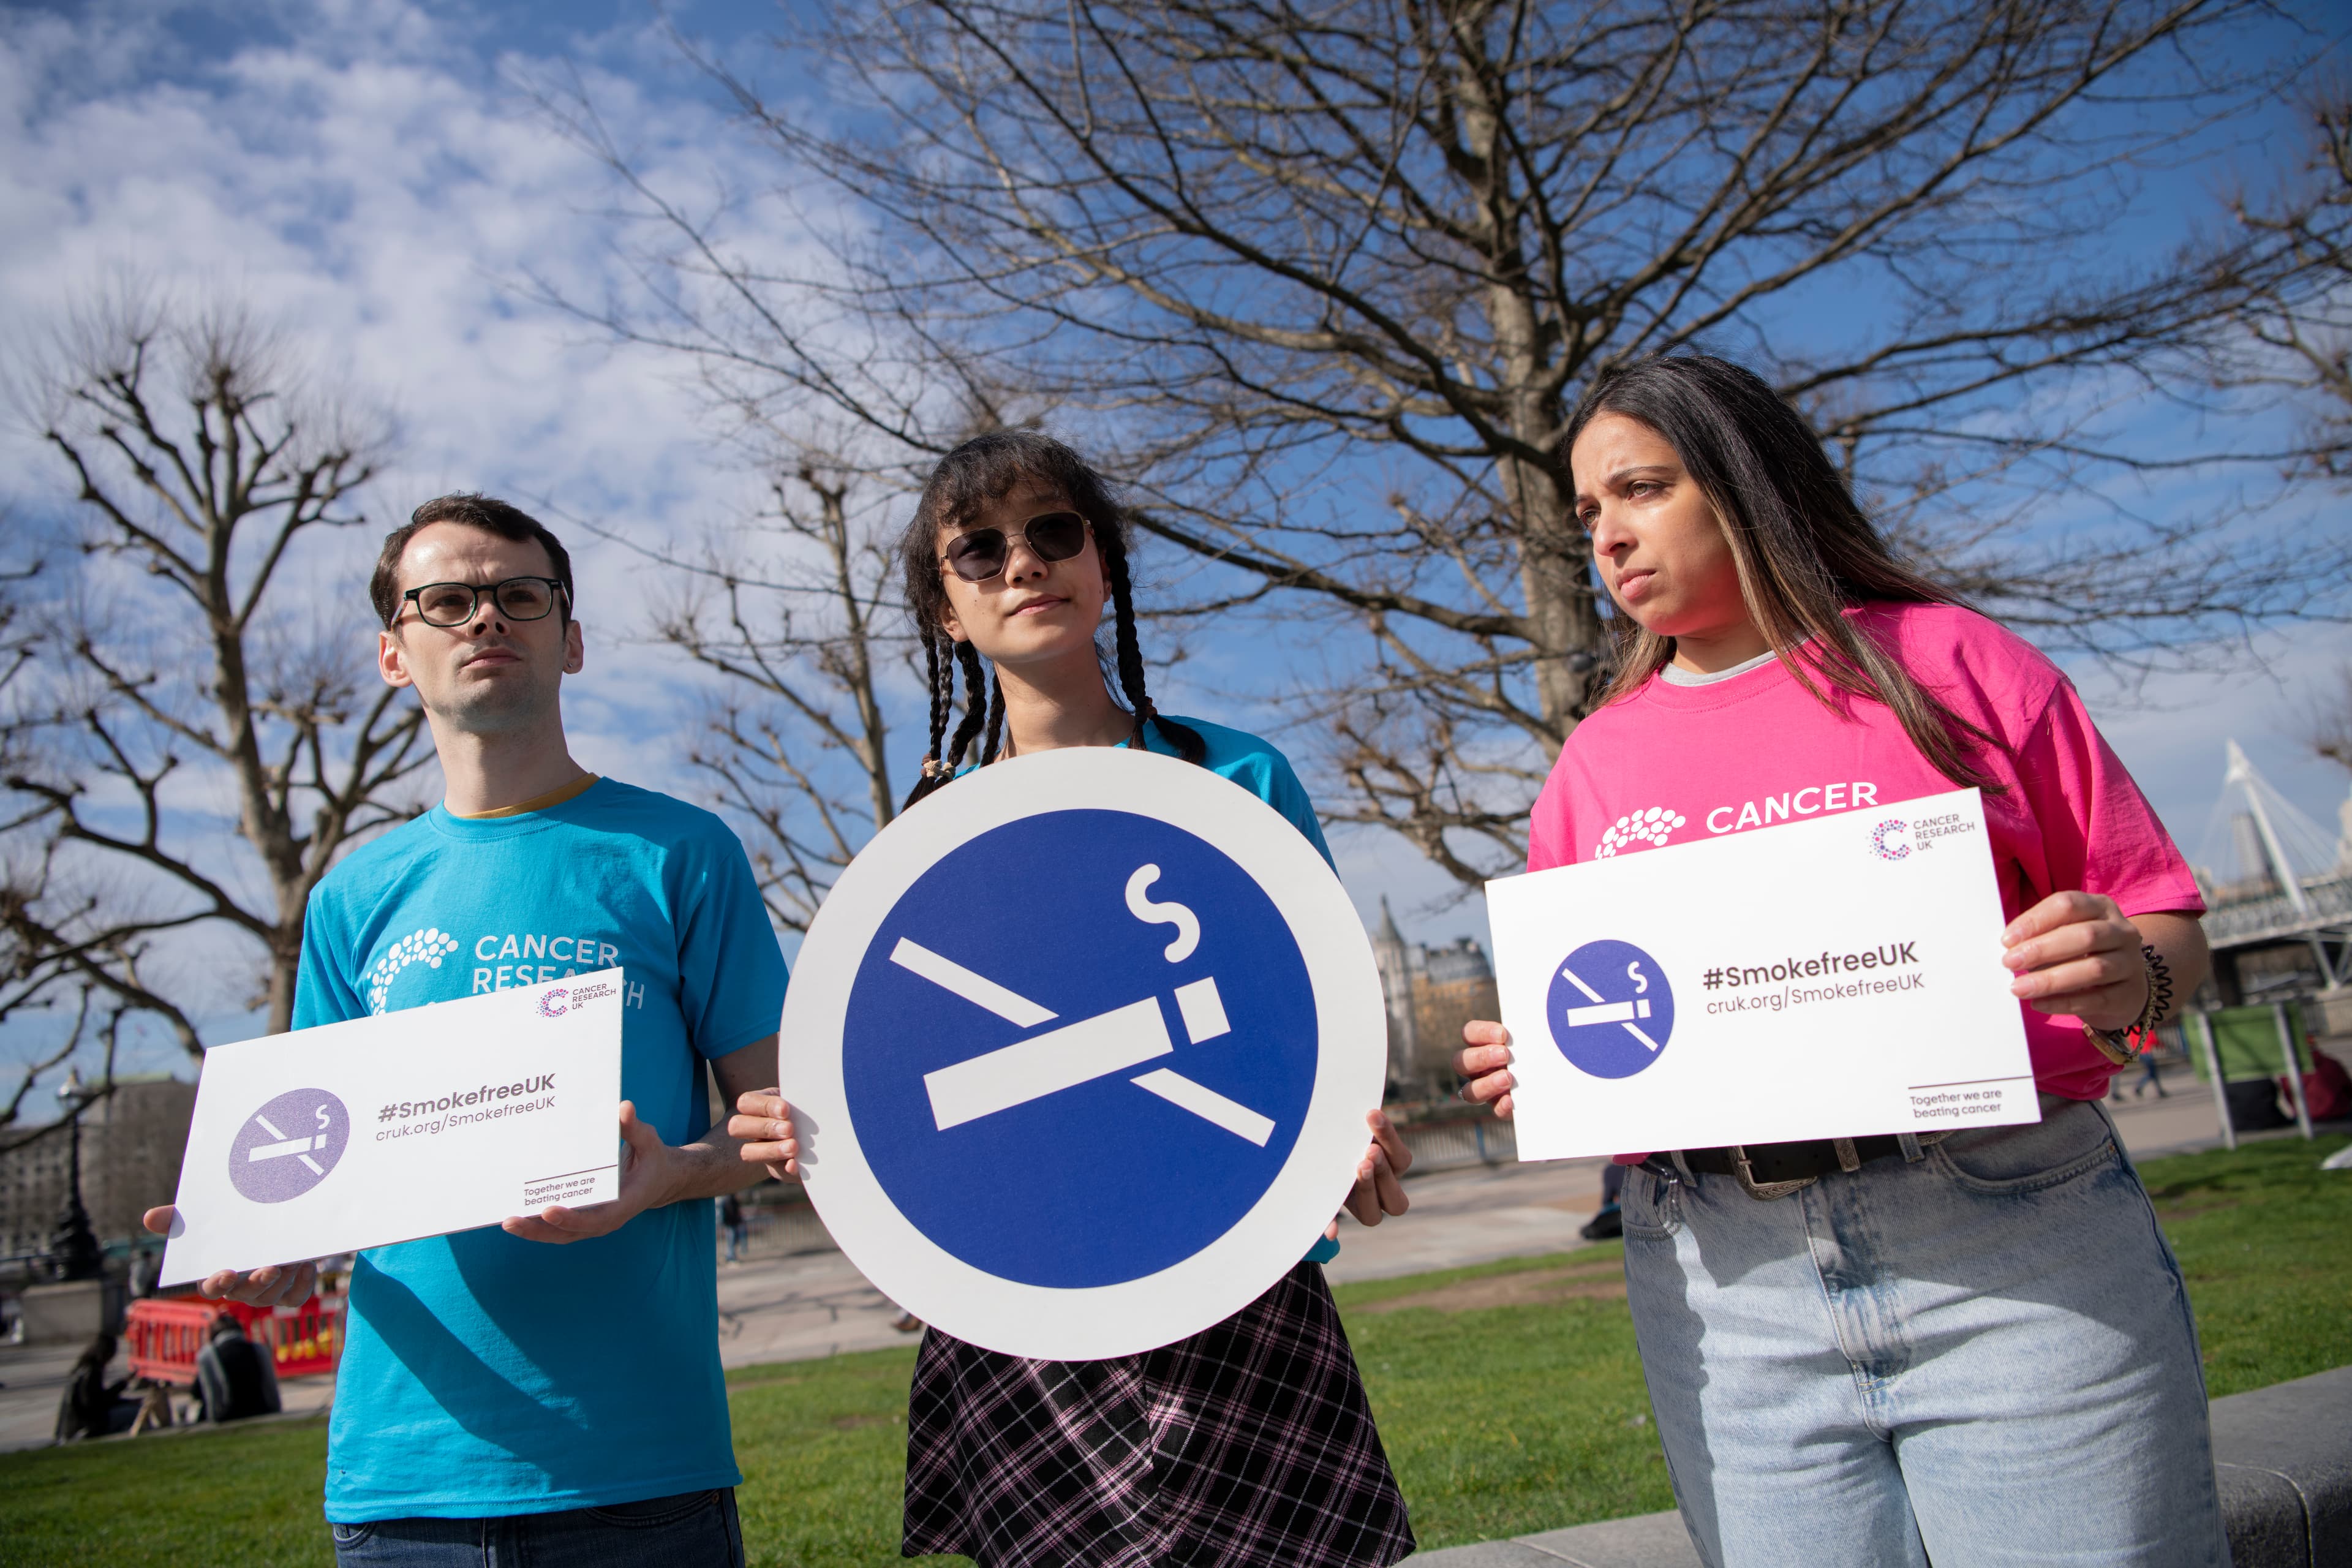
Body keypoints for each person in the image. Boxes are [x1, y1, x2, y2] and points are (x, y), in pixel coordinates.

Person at [1453, 355, 2225, 1567]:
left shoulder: (1953, 662)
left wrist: (2135, 976)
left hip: (2015, 1243)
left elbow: (2166, 927)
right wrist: (1545, 1065)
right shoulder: (1594, 762)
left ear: (1747, 482)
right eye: (1589, 512)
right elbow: (1610, 1026)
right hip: (1724, 1292)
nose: (1606, 537)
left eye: (1642, 489)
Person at [730, 431, 1419, 1568]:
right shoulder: (927, 847)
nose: (1023, 563)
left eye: (1054, 531)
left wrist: (1348, 1147)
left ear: (1104, 565)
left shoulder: (1237, 782)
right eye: (979, 550)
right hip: (1027, 1325)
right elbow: (905, 1097)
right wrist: (815, 1135)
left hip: (1236, 1291)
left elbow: (1316, 1028)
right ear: (947, 611)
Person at [144, 494, 786, 1566]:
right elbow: (325, 1175)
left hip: (639, 1469)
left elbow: (786, 1127)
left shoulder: (683, 853)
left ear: (570, 638)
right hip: (401, 1484)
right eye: (445, 601)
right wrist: (276, 1252)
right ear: (394, 654)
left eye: (520, 595)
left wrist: (666, 1175)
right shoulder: (350, 899)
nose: (486, 617)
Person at [194, 1313, 282, 1423]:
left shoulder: (209, 1355)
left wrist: (212, 1419)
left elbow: (202, 1392)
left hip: (226, 1415)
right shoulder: (258, 1349)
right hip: (261, 1410)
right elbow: (271, 1385)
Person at [53, 1331, 135, 1441]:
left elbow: (97, 1399)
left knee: (129, 1411)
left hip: (76, 1425)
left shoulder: (82, 1369)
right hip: (88, 1425)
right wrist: (123, 1389)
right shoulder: (92, 1372)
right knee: (135, 1413)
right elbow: (98, 1403)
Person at [717, 1192, 748, 1264]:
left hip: (730, 1223)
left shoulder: (727, 1200)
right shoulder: (730, 1200)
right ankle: (731, 1257)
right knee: (732, 1241)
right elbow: (732, 1212)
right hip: (731, 1223)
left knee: (732, 1241)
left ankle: (731, 1256)